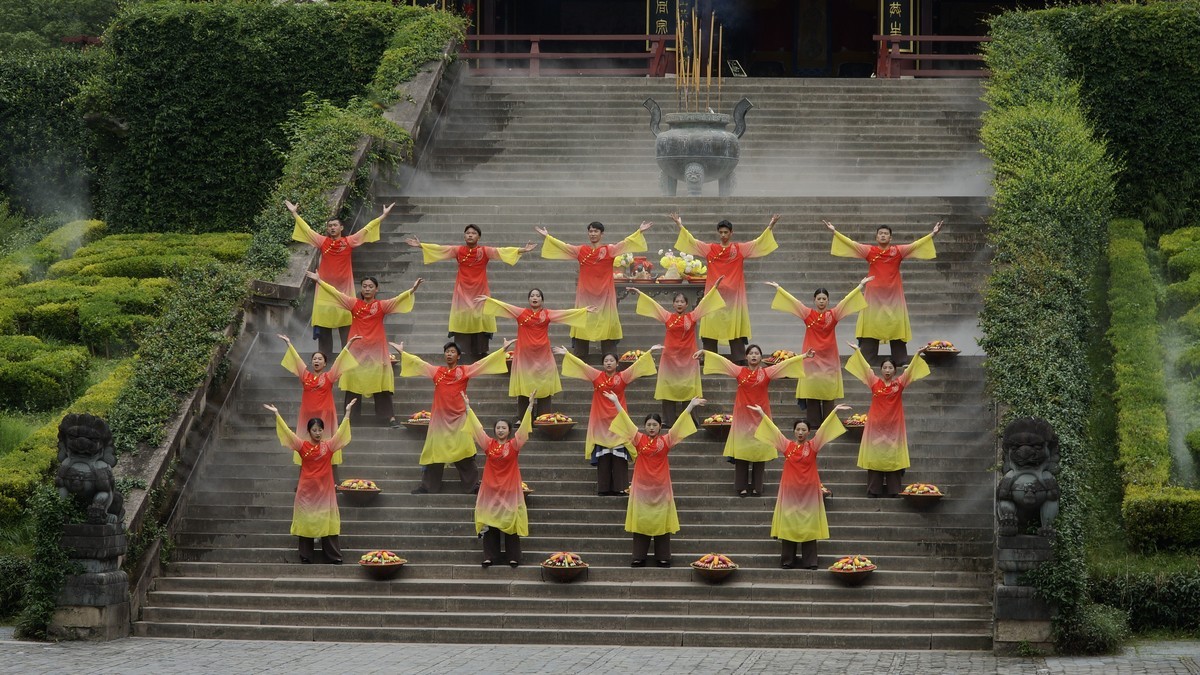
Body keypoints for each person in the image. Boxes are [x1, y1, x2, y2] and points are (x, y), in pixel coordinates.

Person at [305, 271, 422, 427]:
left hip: (376, 352)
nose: (367, 289)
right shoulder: (354, 304)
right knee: (353, 383)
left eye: (370, 286)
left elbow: (398, 299)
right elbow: (336, 294)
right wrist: (320, 281)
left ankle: (388, 418)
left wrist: (412, 290)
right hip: (356, 351)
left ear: (376, 289)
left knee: (381, 384)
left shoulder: (381, 306)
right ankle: (350, 419)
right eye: (365, 286)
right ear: (361, 289)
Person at [396, 339, 513, 495]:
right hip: (440, 421)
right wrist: (402, 353)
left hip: (459, 419)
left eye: (452, 352)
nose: (449, 354)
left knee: (464, 453)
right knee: (434, 453)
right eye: (447, 352)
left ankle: (472, 486)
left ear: (458, 356)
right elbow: (419, 364)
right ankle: (428, 486)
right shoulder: (437, 372)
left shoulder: (464, 371)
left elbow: (482, 364)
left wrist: (502, 350)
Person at [405, 225, 536, 363]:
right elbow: (441, 249)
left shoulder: (485, 251)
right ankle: (461, 354)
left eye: (473, 233)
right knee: (462, 320)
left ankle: (481, 354)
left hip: (480, 292)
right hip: (462, 292)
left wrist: (522, 250)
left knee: (481, 319)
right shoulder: (458, 250)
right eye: (467, 233)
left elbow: (501, 251)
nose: (470, 235)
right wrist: (421, 245)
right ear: (464, 236)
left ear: (479, 237)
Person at [697, 344, 813, 497]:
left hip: (761, 417)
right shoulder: (739, 371)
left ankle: (758, 487)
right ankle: (742, 487)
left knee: (760, 451)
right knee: (742, 452)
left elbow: (784, 365)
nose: (753, 356)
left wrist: (804, 356)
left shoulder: (766, 372)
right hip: (743, 418)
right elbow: (724, 362)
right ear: (746, 356)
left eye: (756, 353)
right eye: (751, 353)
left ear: (761, 357)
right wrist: (705, 352)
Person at [605, 391, 705, 567]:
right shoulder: (638, 439)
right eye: (649, 424)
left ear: (660, 427)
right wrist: (616, 402)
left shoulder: (666, 441)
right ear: (645, 427)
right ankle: (639, 556)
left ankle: (663, 556)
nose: (651, 427)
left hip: (661, 488)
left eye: (655, 425)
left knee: (662, 521)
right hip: (641, 488)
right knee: (641, 521)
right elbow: (626, 422)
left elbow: (679, 425)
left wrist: (690, 405)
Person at [824, 218, 943, 365]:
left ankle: (900, 360)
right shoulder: (870, 251)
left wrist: (933, 234)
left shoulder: (898, 251)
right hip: (873, 297)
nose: (883, 235)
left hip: (894, 296)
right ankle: (867, 360)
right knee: (871, 325)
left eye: (886, 234)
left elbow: (915, 245)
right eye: (880, 233)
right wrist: (835, 232)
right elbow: (852, 244)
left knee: (896, 325)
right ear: (876, 237)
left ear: (890, 238)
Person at [748, 403, 851, 569]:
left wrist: (834, 411)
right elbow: (774, 431)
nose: (801, 432)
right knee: (789, 523)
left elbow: (823, 430)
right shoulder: (786, 445)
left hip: (809, 491)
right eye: (798, 429)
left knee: (809, 524)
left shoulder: (813, 446)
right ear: (794, 431)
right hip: (790, 491)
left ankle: (810, 561)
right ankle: (788, 560)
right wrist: (761, 413)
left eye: (804, 430)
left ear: (808, 432)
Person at [669, 213, 779, 365]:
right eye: (720, 232)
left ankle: (739, 359)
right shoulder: (711, 249)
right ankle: (710, 358)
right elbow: (693, 242)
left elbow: (757, 243)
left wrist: (771, 225)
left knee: (735, 325)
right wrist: (679, 225)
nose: (723, 235)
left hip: (734, 296)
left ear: (731, 233)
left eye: (726, 232)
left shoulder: (739, 249)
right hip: (714, 295)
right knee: (710, 325)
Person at [764, 277, 872, 428]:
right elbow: (795, 303)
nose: (821, 301)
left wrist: (860, 286)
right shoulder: (808, 314)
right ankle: (814, 423)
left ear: (828, 301)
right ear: (814, 300)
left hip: (829, 359)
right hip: (811, 358)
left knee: (828, 392)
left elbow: (846, 302)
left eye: (824, 299)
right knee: (812, 391)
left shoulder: (833, 314)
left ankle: (828, 425)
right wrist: (779, 288)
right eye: (819, 299)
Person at [535, 220, 652, 359]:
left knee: (607, 326)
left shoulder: (609, 250)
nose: (593, 234)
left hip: (605, 296)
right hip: (585, 296)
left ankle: (610, 360)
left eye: (596, 231)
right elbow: (564, 247)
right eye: (590, 231)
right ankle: (579, 360)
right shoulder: (581, 251)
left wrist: (639, 231)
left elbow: (625, 243)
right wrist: (548, 237)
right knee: (582, 323)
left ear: (602, 234)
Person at [287, 200, 392, 355]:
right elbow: (307, 230)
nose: (332, 228)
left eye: (335, 225)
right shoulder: (323, 241)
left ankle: (348, 357)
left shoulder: (348, 242)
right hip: (324, 291)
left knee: (347, 326)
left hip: (344, 291)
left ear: (341, 227)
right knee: (324, 327)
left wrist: (383, 216)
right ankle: (324, 359)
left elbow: (366, 229)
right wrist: (294, 213)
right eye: (329, 226)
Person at [554, 345, 659, 495]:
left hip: (619, 421)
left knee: (619, 455)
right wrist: (567, 354)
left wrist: (650, 351)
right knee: (603, 455)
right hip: (601, 421)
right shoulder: (597, 376)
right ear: (603, 364)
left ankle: (620, 487)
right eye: (606, 361)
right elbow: (583, 366)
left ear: (617, 363)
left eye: (611, 360)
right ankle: (603, 488)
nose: (608, 363)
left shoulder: (623, 377)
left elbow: (637, 366)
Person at [263, 398, 357, 564]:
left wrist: (348, 412)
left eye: (320, 429)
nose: (318, 433)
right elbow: (288, 433)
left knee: (327, 522)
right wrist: (277, 414)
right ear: (309, 431)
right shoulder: (302, 446)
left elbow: (341, 432)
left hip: (325, 492)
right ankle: (306, 555)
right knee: (306, 521)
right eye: (314, 430)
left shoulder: (328, 446)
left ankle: (333, 556)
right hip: (306, 491)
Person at [478, 289, 593, 418]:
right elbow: (505, 306)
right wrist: (488, 301)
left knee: (544, 385)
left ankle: (544, 417)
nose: (535, 298)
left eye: (538, 296)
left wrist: (583, 311)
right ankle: (523, 418)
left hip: (543, 356)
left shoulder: (547, 314)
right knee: (524, 386)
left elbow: (564, 314)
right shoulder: (521, 313)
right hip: (525, 356)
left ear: (542, 300)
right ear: (528, 299)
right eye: (532, 295)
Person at [626, 279, 725, 425]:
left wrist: (715, 287)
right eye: (677, 301)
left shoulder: (692, 316)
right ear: (673, 304)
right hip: (670, 359)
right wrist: (639, 293)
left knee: (690, 388)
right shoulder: (667, 316)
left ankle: (691, 421)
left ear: (686, 304)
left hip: (689, 358)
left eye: (682, 301)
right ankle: (668, 420)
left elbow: (704, 303)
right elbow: (654, 306)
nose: (679, 304)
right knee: (668, 388)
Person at [844, 342, 931, 497]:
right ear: (881, 370)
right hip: (876, 425)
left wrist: (917, 354)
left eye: (890, 367)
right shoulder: (874, 382)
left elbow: (910, 371)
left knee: (893, 456)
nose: (887, 370)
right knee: (875, 457)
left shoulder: (899, 383)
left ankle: (894, 490)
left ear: (895, 370)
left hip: (894, 426)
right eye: (885, 367)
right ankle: (873, 490)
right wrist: (858, 351)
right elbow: (866, 369)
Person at [466, 391, 535, 568]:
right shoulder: (488, 444)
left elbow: (524, 430)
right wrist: (467, 408)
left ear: (509, 430)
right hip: (491, 490)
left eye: (504, 427)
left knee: (511, 522)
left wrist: (530, 406)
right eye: (498, 428)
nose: (501, 430)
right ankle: (490, 556)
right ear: (495, 430)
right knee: (490, 522)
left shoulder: (514, 445)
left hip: (509, 490)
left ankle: (513, 557)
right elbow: (477, 430)